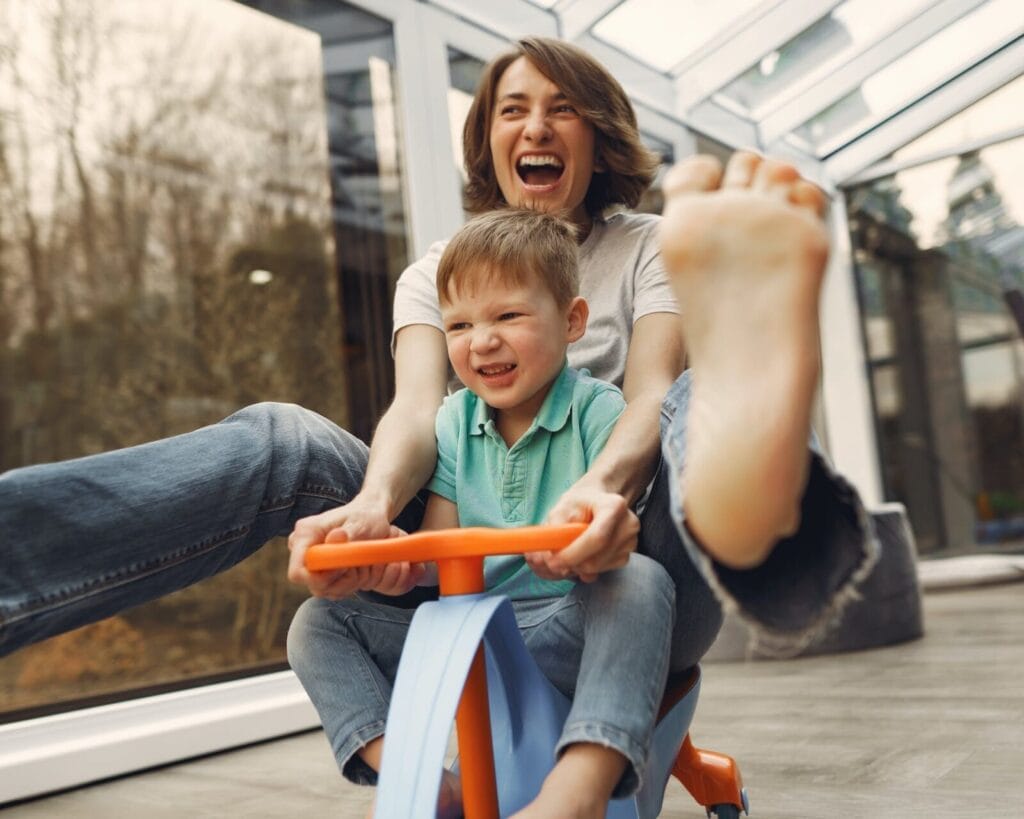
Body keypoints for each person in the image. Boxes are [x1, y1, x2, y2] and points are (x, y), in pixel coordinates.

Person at [0, 37, 875, 681]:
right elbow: (417, 411)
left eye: (562, 108)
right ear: (489, 141)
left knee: (692, 393)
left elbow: (645, 392)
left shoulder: (659, 244)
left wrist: (599, 491)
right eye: (512, 108)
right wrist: (375, 509)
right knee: (283, 437)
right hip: (465, 564)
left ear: (598, 138)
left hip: (627, 567)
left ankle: (752, 513)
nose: (537, 125)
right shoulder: (432, 275)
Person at [289, 208, 676, 817]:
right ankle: (427, 783)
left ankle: (576, 790)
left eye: (509, 316)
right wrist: (402, 567)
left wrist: (580, 552)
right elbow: (443, 548)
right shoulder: (451, 421)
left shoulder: (600, 413)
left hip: (561, 625)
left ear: (573, 321)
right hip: (468, 631)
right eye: (460, 324)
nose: (483, 340)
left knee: (644, 583)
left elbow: (611, 534)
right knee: (318, 624)